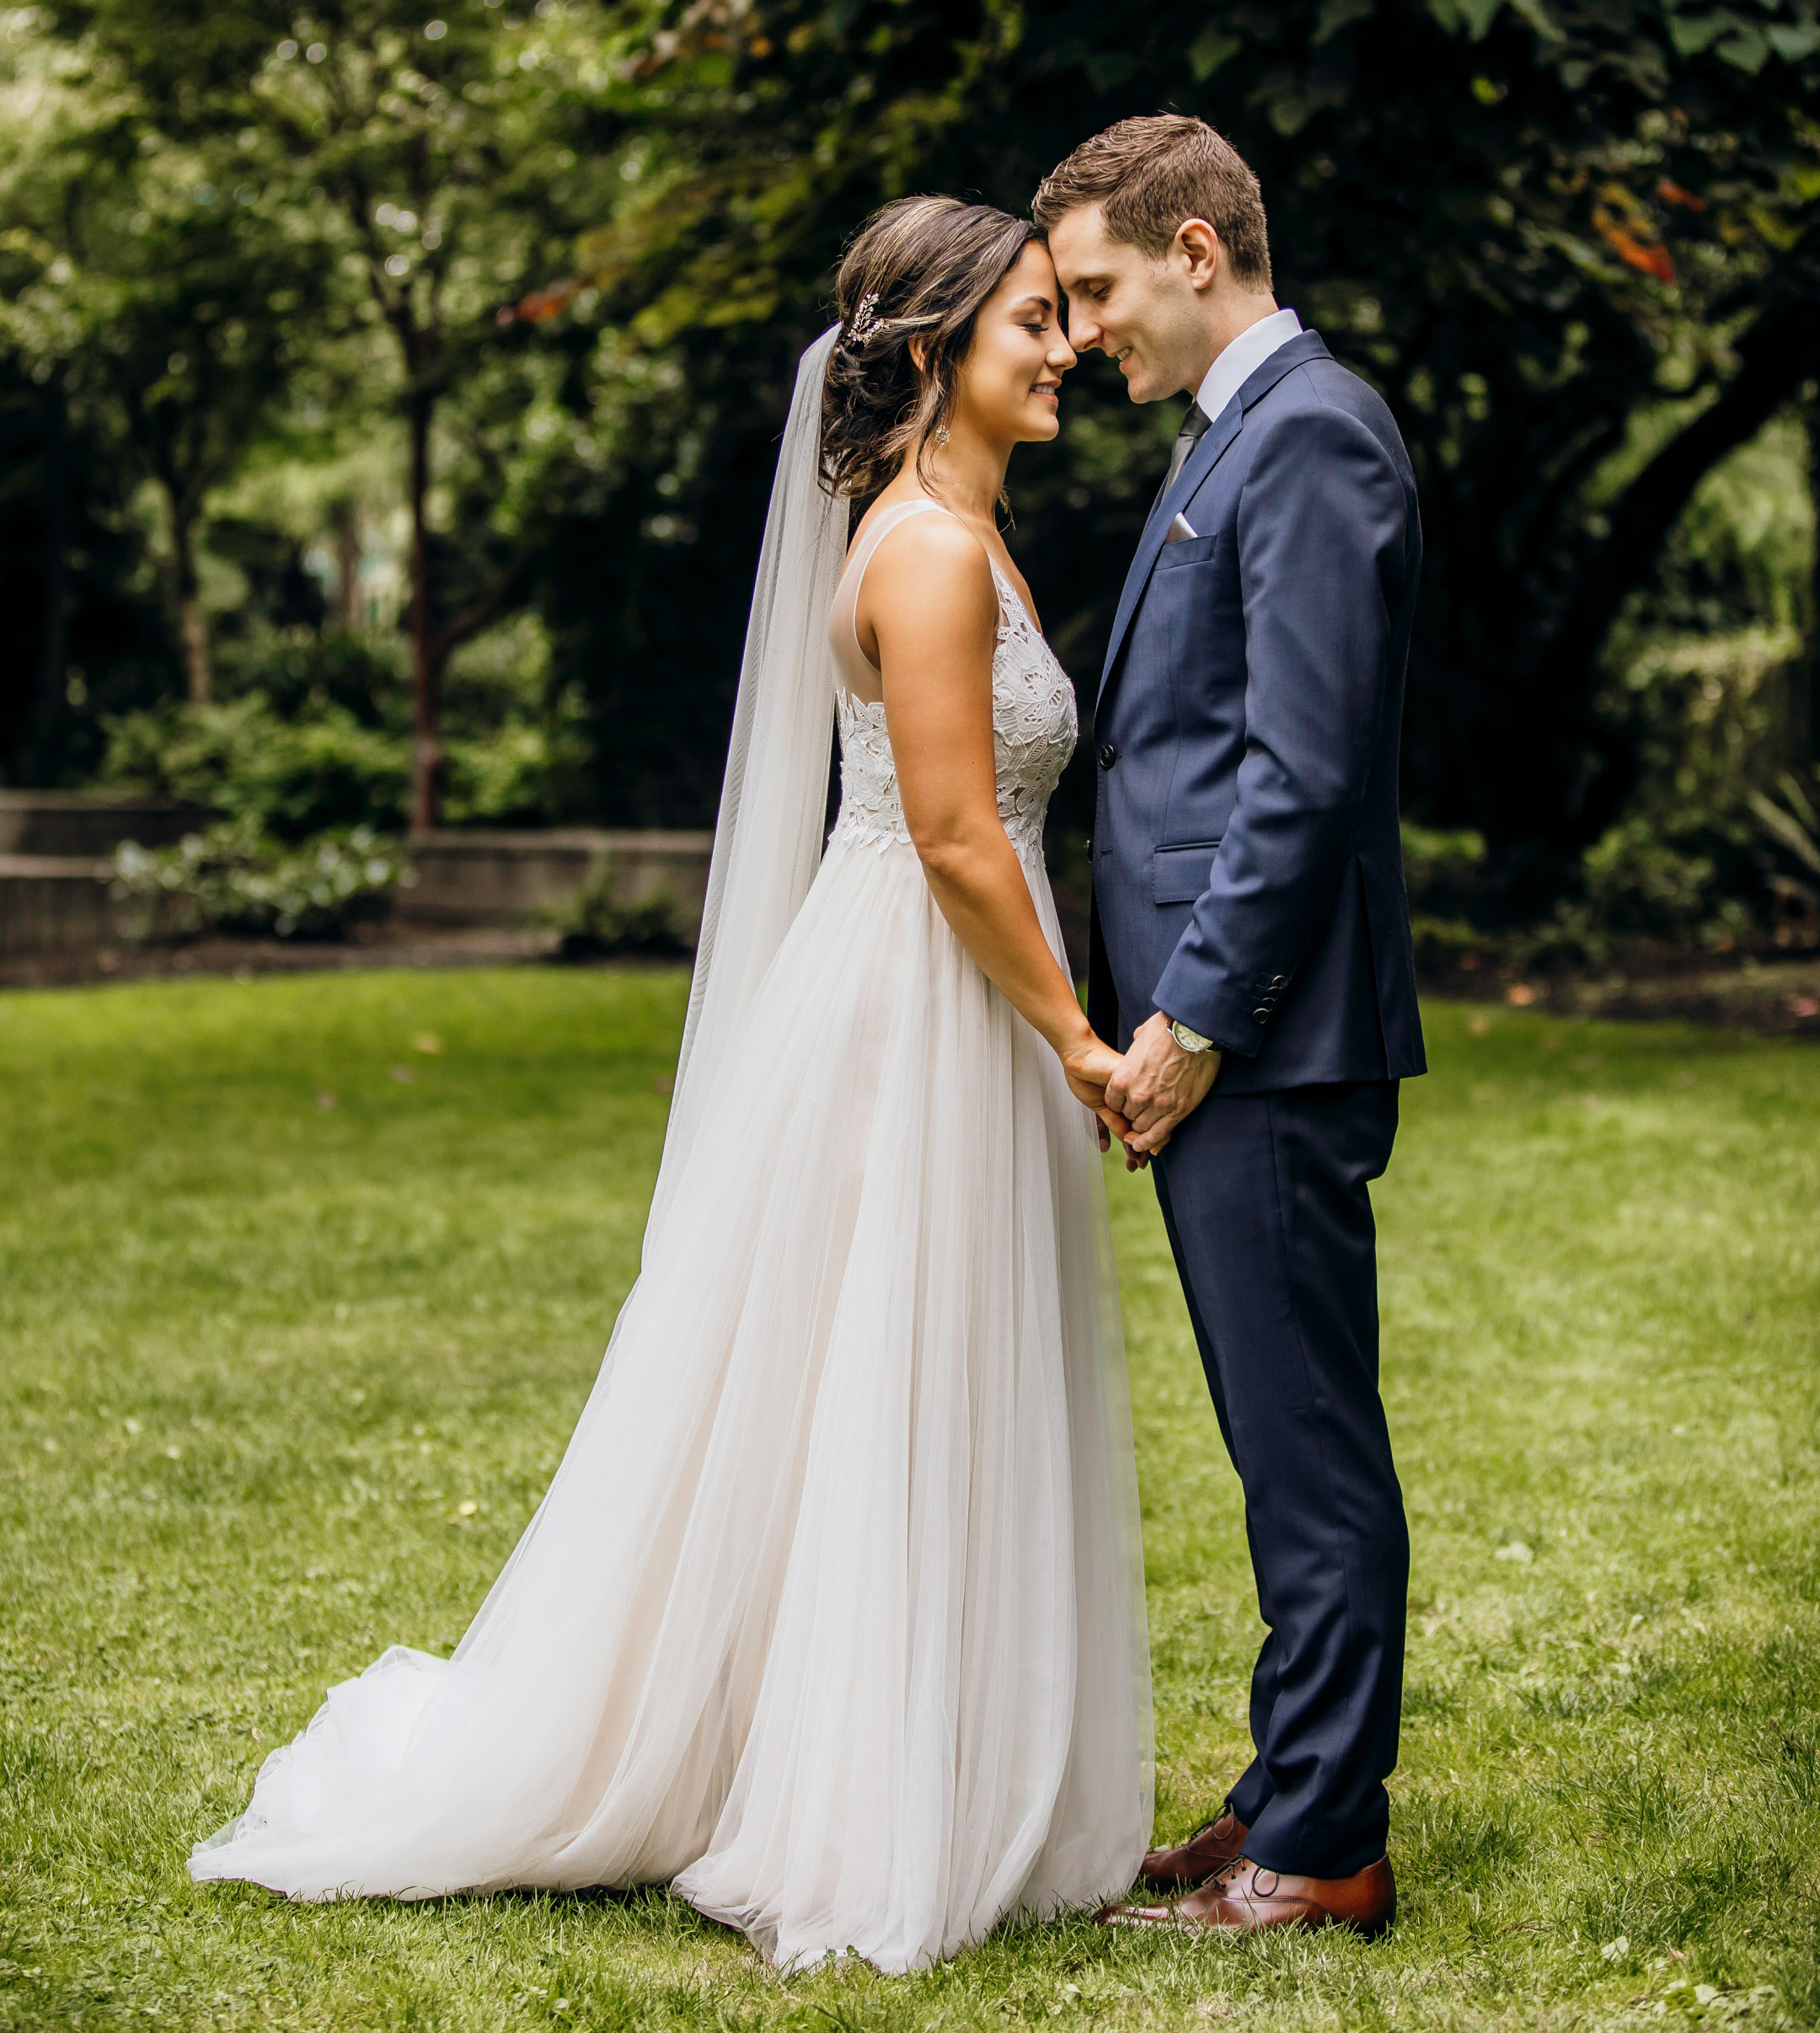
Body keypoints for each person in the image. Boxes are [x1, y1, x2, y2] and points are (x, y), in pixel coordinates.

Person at [189, 195, 1153, 1973]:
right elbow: (950, 832)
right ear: (936, 352)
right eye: (1032, 320)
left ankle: (900, 1750)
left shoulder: (958, 530)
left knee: (895, 1371)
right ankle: (856, 1805)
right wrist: (1081, 1040)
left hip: (952, 985)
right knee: (888, 1367)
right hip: (924, 995)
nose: (1067, 346)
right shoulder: (931, 554)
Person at [1040, 115, 1424, 1942]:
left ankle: (1325, 1847)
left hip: (1270, 1037)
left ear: (1201, 252)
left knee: (1308, 1447)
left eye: (1101, 287)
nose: (1085, 325)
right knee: (1280, 1436)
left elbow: (1304, 766)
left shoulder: (1314, 432)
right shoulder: (1234, 441)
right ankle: (1284, 1790)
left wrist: (1188, 1017)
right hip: (1240, 1038)